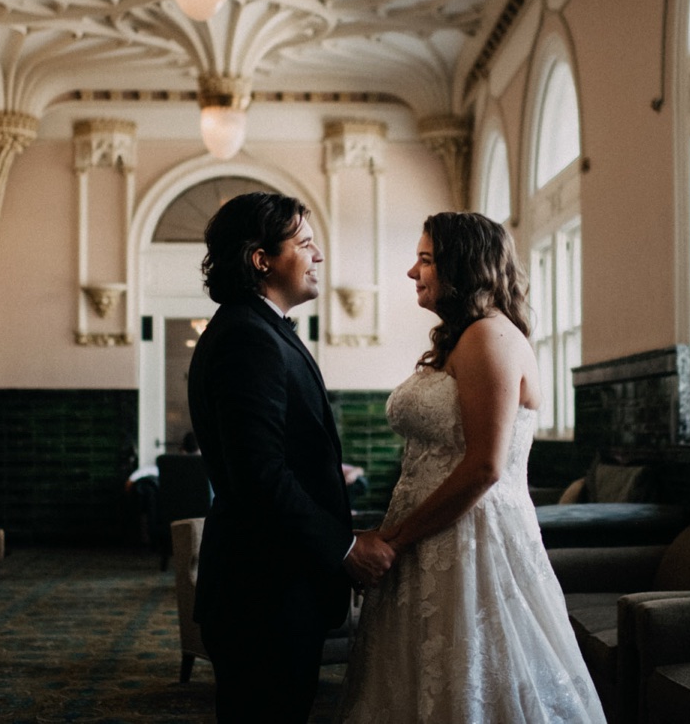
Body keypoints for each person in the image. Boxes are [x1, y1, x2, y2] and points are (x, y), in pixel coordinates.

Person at [338, 211, 604, 724]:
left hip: (469, 541)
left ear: (462, 266)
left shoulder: (489, 338)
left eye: (425, 260)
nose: (413, 273)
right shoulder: (462, 339)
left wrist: (393, 538)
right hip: (431, 537)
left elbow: (485, 467)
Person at [187, 191, 396, 723]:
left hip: (273, 586)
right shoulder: (247, 338)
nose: (318, 255)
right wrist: (344, 547)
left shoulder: (261, 328)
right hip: (263, 593)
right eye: (304, 243)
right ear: (262, 259)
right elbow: (261, 475)